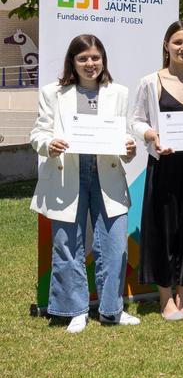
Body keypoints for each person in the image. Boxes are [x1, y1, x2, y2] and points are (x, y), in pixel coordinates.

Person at [30, 34, 140, 332]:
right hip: (68, 173)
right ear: (73, 62)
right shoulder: (53, 92)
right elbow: (38, 132)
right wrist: (48, 144)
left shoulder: (119, 92)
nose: (90, 64)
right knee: (68, 244)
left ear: (103, 60)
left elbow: (126, 134)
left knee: (115, 245)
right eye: (83, 59)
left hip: (107, 173)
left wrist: (129, 147)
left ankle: (111, 310)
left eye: (95, 58)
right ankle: (74, 309)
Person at [132, 21, 183, 320]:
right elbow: (137, 120)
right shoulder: (150, 81)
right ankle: (165, 299)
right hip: (164, 164)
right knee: (163, 230)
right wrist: (150, 136)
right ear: (166, 45)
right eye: (178, 42)